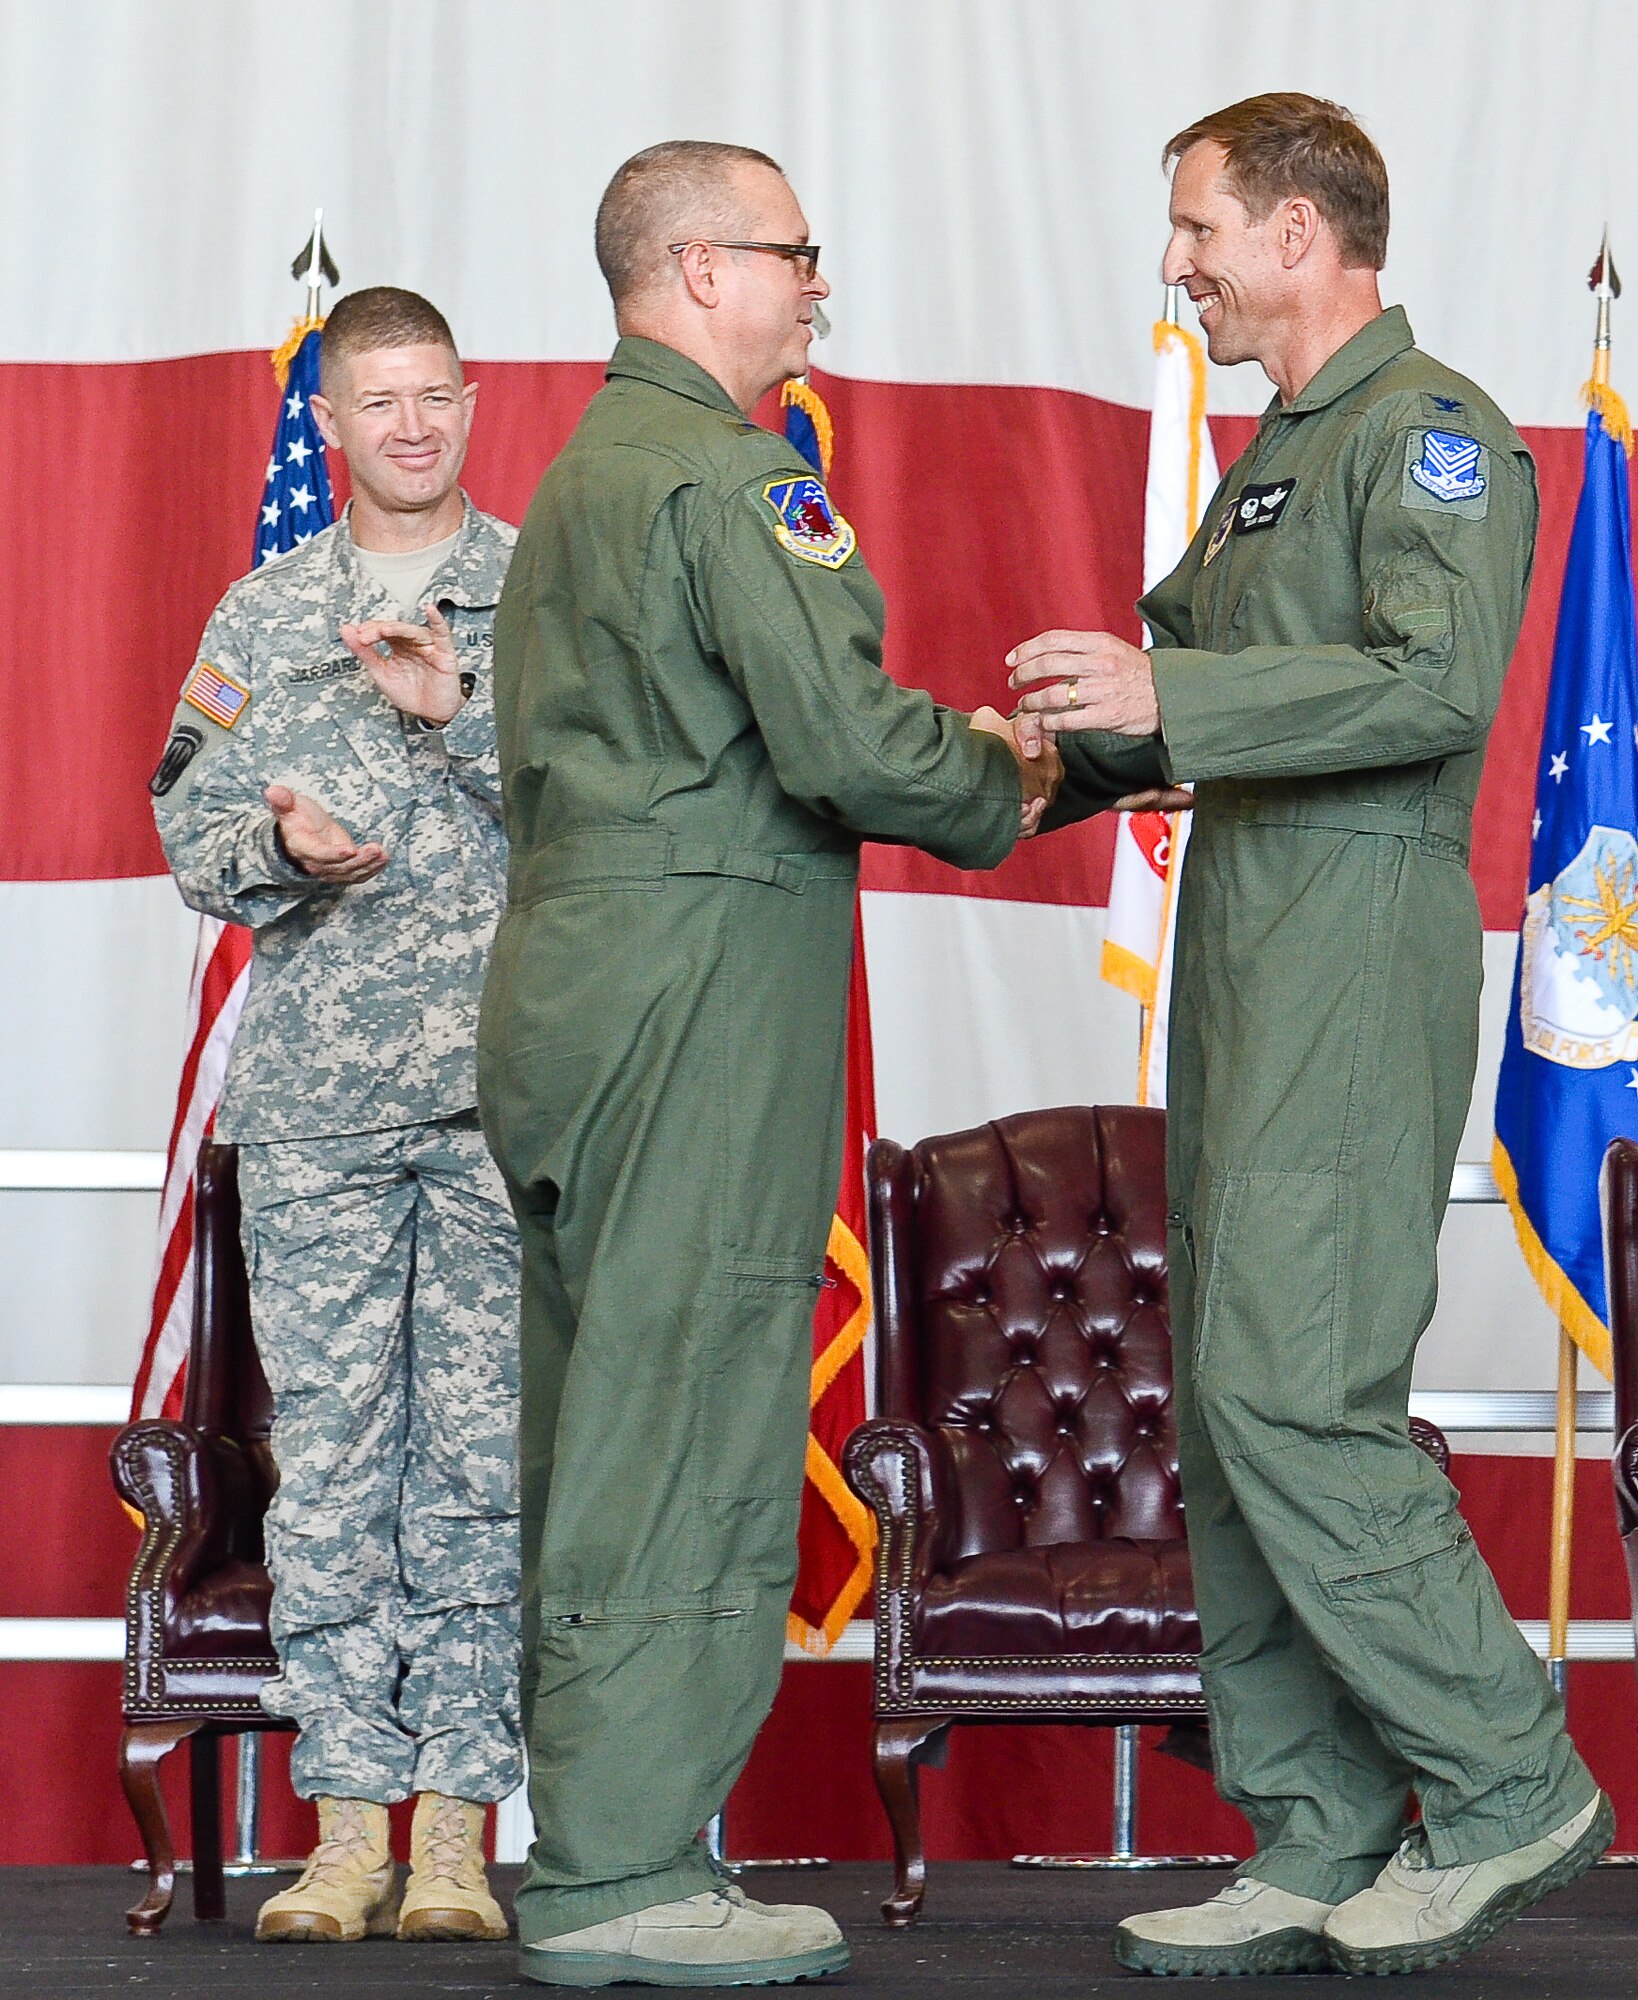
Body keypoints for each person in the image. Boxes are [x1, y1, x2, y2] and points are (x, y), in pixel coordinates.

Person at [1009, 93, 1610, 1979]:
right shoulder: (1278, 456)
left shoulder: (1428, 435)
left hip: (1353, 951)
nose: (1173, 260)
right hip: (1251, 953)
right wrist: (981, 761)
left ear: (1296, 233)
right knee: (1229, 1400)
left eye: (1195, 225)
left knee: (1297, 1391)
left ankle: (1509, 1784)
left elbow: (1430, 684)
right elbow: (1161, 707)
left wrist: (1166, 688)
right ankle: (1313, 1822)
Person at [480, 140, 1057, 1987]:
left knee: (600, 1418)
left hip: (578, 985)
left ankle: (597, 1834)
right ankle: (620, 1871)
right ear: (700, 268)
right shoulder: (728, 475)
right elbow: (848, 743)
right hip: (694, 995)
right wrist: (1032, 770)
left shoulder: (583, 470)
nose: (818, 288)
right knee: (684, 1422)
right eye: (799, 257)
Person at [151, 286, 522, 1946]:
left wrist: (466, 723)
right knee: (338, 1465)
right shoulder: (264, 611)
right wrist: (277, 860)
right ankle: (349, 1822)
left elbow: (624, 811)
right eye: (378, 402)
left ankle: (459, 1828)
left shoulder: (542, 592)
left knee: (483, 1463)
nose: (412, 427)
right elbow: (184, 825)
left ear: (469, 401)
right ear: (331, 426)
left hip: (507, 1092)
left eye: (435, 395)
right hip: (317, 1103)